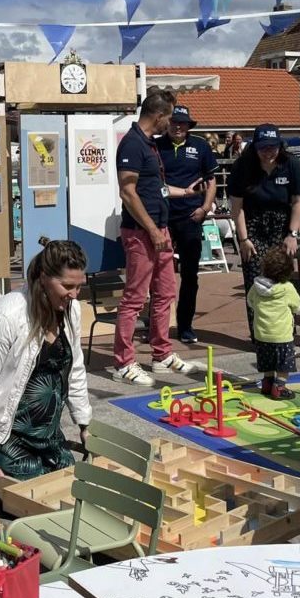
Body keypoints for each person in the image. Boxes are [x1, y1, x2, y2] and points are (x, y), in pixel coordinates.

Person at [0, 238, 91, 485]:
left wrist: (85, 424)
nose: (74, 295)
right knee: (30, 488)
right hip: (4, 429)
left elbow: (75, 369)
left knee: (69, 482)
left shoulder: (71, 309)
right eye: (67, 286)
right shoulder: (6, 315)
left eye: (79, 286)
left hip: (43, 431)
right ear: (43, 278)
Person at [112, 92, 197, 386]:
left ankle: (161, 355)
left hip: (160, 229)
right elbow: (128, 192)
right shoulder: (132, 144)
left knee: (165, 293)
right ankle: (124, 362)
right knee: (135, 297)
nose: (170, 124)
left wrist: (184, 192)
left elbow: (155, 188)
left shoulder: (148, 144)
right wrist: (150, 230)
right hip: (141, 233)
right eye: (169, 117)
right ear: (159, 115)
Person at [227, 124, 300, 335]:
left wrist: (292, 234)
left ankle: (285, 329)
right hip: (253, 224)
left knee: (282, 278)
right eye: (263, 148)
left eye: (272, 148)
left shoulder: (291, 164)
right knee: (257, 281)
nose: (268, 153)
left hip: (282, 224)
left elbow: (298, 201)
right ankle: (259, 333)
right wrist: (244, 239)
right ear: (255, 147)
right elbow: (237, 208)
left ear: (280, 146)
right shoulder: (243, 166)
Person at [157, 106, 218, 344]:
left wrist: (204, 209)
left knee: (190, 275)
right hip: (163, 218)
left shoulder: (201, 146)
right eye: (174, 123)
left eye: (183, 124)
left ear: (189, 126)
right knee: (160, 274)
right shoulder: (156, 146)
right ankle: (159, 323)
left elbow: (211, 182)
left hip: (191, 218)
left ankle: (185, 325)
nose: (178, 127)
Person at [247, 246, 300, 399]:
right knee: (284, 364)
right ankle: (279, 387)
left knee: (268, 360)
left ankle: (267, 382)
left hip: (262, 334)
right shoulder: (287, 288)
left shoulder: (256, 286)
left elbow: (250, 302)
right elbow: (298, 306)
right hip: (282, 335)